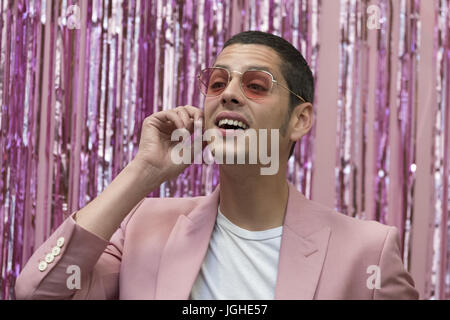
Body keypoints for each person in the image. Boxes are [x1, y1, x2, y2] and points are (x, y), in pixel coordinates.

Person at [15, 31, 419, 300]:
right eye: (217, 83)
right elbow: (38, 292)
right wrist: (144, 171)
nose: (228, 95)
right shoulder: (142, 226)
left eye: (256, 86)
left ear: (299, 120)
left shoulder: (367, 251)